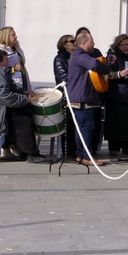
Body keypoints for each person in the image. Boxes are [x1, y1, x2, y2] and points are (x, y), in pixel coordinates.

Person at [65, 29, 128, 166]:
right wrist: (108, 64)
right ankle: (87, 157)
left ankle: (80, 155)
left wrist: (116, 73)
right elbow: (95, 65)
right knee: (87, 127)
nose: (94, 44)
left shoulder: (79, 56)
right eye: (92, 41)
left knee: (81, 128)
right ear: (85, 42)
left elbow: (97, 72)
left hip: (80, 98)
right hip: (82, 98)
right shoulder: (80, 55)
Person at [104, 33, 128, 157]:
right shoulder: (113, 56)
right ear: (118, 45)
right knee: (115, 122)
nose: (126, 47)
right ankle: (113, 147)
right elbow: (107, 72)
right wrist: (120, 73)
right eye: (123, 45)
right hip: (116, 94)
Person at [52, 33, 77, 161]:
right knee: (69, 126)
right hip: (67, 95)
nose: (75, 43)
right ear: (64, 44)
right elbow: (63, 77)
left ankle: (79, 150)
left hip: (78, 94)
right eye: (72, 41)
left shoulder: (77, 56)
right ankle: (69, 152)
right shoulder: (60, 59)